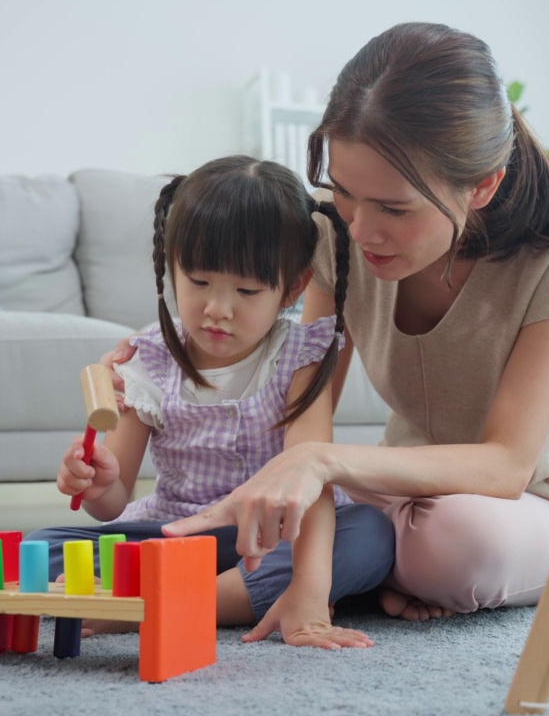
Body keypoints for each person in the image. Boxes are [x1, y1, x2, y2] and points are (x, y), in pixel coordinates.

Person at [143, 23, 549, 621]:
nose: (360, 230)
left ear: (483, 185)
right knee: (284, 513)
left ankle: (374, 568)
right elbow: (303, 413)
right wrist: (151, 361)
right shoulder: (338, 237)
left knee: (455, 541)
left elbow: (507, 463)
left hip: (536, 501)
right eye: (346, 194)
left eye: (394, 209)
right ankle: (369, 568)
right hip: (393, 491)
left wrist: (322, 465)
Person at [27, 155, 394, 649]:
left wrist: (309, 587)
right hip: (176, 536)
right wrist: (97, 483)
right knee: (39, 550)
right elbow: (110, 504)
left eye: (246, 290)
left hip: (273, 539)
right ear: (170, 265)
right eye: (198, 282)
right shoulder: (148, 358)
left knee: (370, 535)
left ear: (294, 286)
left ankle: (152, 605)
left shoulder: (302, 355)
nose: (217, 310)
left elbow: (314, 480)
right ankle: (226, 597)